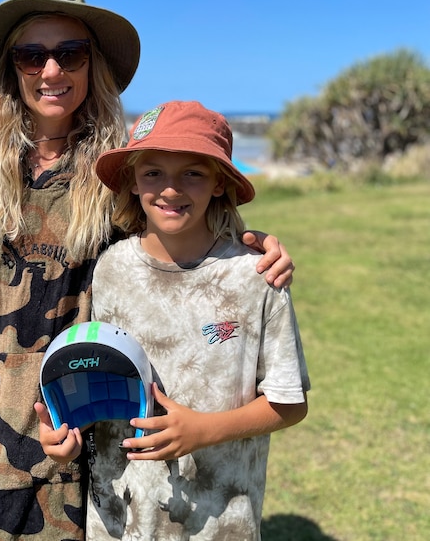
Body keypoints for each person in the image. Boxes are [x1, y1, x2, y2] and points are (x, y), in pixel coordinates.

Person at [0, 0, 294, 540]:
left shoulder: (114, 174)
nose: (51, 70)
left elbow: (181, 227)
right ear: (11, 68)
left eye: (70, 53)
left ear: (93, 67)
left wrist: (255, 246)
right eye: (31, 54)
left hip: (82, 404)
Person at [36, 100, 311, 539]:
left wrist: (202, 430)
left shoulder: (256, 276)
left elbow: (289, 403)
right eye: (153, 172)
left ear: (220, 182)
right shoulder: (109, 270)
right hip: (119, 520)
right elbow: (97, 382)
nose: (170, 188)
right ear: (132, 181)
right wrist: (64, 435)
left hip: (220, 521)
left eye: (193, 173)